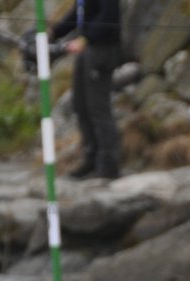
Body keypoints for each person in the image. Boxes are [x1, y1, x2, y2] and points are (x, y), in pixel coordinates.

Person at [50, 0, 124, 180]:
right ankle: (91, 159)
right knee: (81, 106)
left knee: (98, 108)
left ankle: (108, 165)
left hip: (101, 50)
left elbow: (110, 18)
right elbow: (77, 13)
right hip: (87, 50)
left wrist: (86, 38)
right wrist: (53, 33)